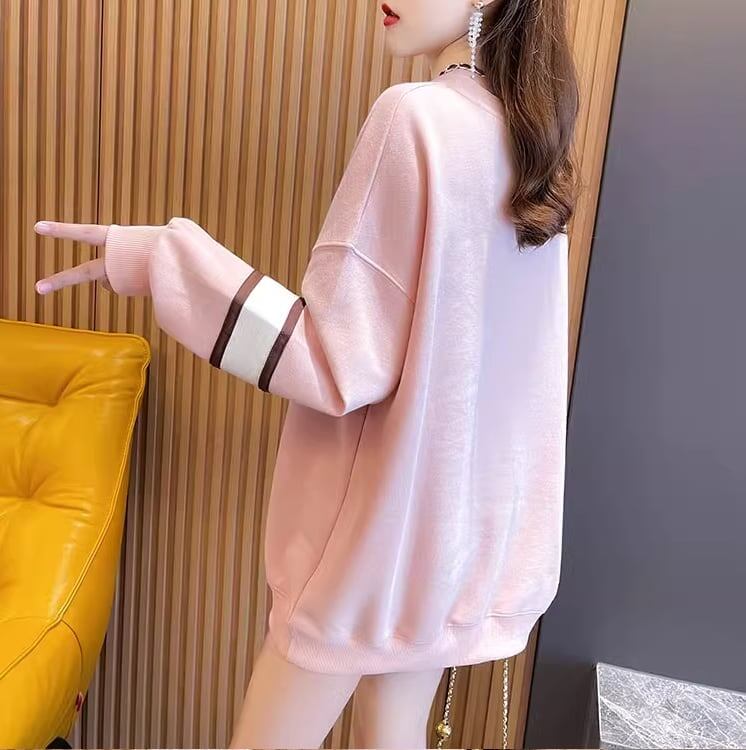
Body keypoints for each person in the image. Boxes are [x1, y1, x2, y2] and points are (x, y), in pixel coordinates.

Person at [33, 0, 579, 747]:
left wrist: (167, 259)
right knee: (393, 736)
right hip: (454, 549)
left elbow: (335, 361)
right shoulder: (529, 142)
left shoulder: (415, 120)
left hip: (365, 549)